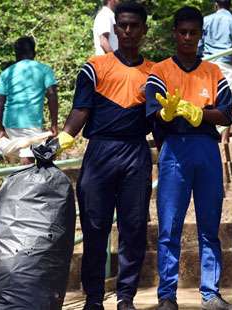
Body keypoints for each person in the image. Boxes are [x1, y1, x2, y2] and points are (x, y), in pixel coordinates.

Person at [56, 2, 153, 310]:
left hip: (136, 152)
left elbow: (161, 119)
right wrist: (60, 141)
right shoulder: (93, 68)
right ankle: (94, 298)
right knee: (95, 227)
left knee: (134, 227)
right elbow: (80, 110)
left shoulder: (155, 72)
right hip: (99, 152)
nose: (127, 31)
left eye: (133, 25)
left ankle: (126, 297)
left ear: (143, 30)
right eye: (122, 25)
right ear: (115, 29)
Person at [146, 6, 232, 310]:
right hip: (174, 149)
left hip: (207, 149)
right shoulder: (160, 71)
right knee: (169, 225)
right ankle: (167, 295)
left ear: (200, 35)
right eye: (182, 32)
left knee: (209, 225)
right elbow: (151, 113)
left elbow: (225, 114)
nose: (187, 37)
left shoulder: (213, 72)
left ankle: (211, 293)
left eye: (193, 33)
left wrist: (201, 114)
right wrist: (166, 113)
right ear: (174, 33)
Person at [0, 36, 58, 165]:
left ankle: (26, 180)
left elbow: (0, 101)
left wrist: (1, 128)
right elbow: (52, 95)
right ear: (34, 52)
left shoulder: (6, 73)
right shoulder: (44, 69)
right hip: (31, 121)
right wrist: (54, 124)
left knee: (27, 152)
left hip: (10, 122)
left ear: (16, 54)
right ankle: (28, 182)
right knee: (28, 155)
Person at [198, 0, 232, 143]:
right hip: (225, 65)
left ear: (215, 4)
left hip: (207, 62)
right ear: (230, 5)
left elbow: (199, 45)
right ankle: (224, 140)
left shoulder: (206, 20)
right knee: (227, 103)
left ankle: (209, 136)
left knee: (205, 100)